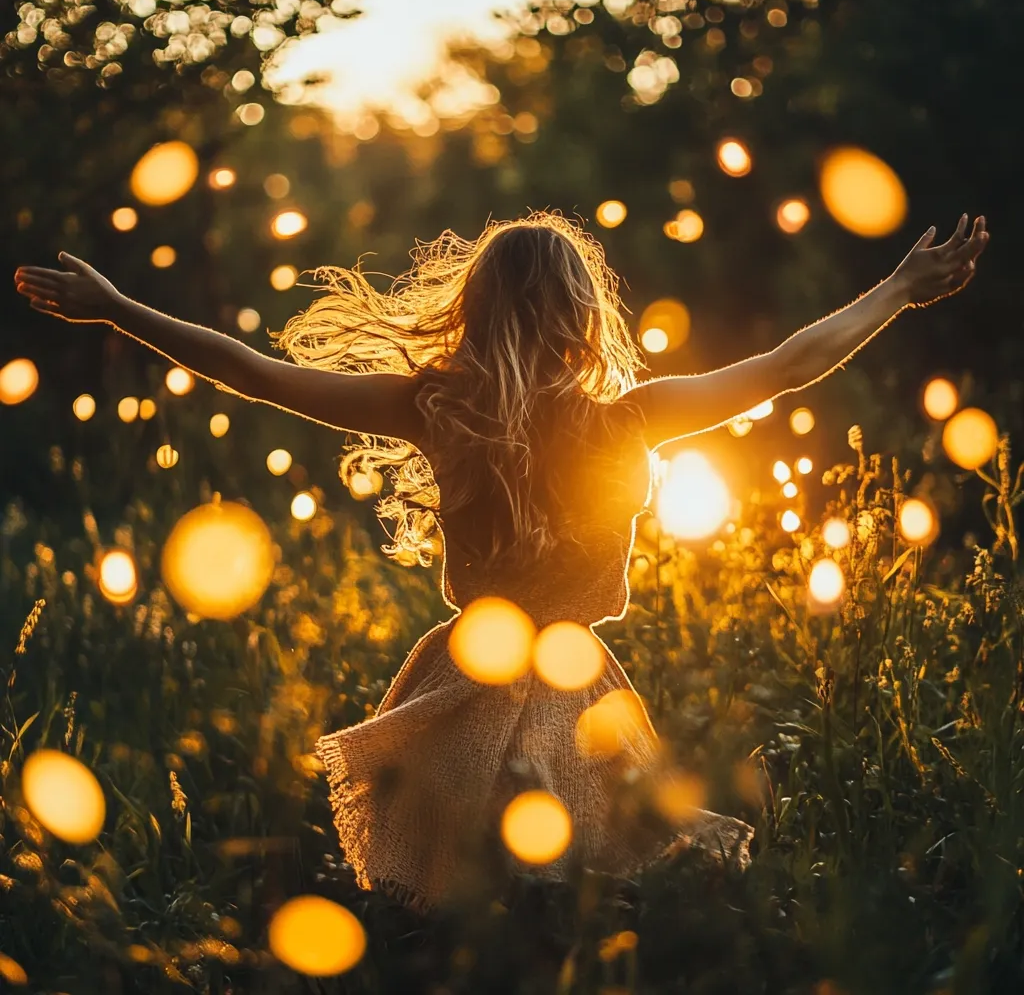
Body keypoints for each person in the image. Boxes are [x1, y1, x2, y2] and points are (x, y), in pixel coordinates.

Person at [14, 211, 987, 911]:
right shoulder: (630, 418)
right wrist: (899, 289)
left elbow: (253, 373)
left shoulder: (436, 405)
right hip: (571, 679)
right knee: (581, 888)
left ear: (474, 307)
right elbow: (786, 367)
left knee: (460, 896)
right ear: (583, 314)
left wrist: (118, 309)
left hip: (462, 672)